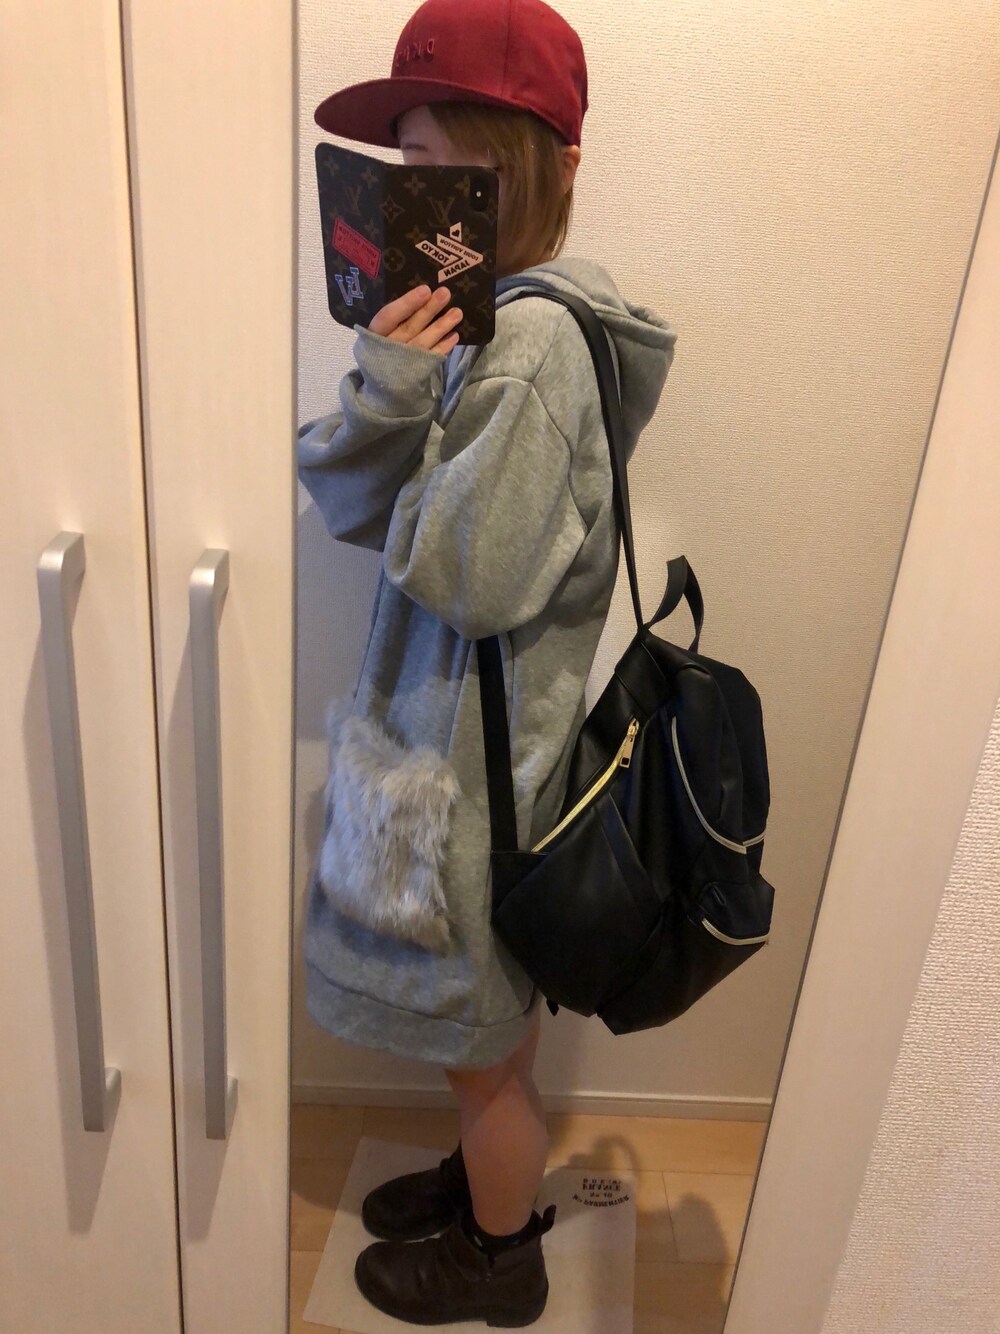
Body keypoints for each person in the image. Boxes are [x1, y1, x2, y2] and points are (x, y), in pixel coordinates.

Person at [298, 0, 676, 1323]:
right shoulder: (486, 329)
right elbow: (352, 507)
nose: (408, 194)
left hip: (476, 779)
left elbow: (467, 577)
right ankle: (480, 1190)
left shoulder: (532, 348)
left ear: (517, 170)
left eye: (432, 161)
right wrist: (396, 381)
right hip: (466, 757)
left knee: (482, 1059)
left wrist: (403, 394)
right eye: (401, 162)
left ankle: (497, 1255)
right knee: (485, 1033)